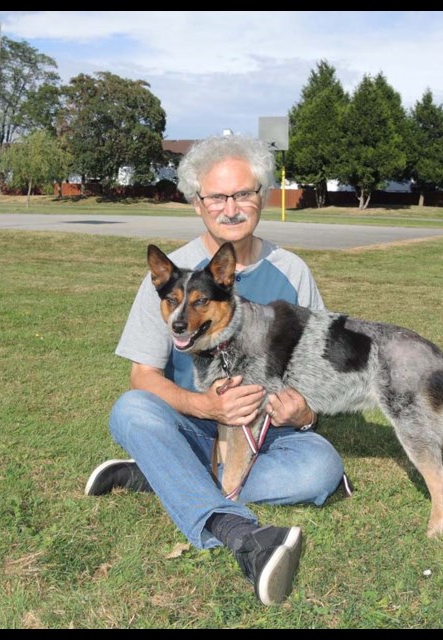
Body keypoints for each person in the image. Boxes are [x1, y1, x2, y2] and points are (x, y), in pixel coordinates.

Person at [85, 133, 347, 606]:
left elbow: (320, 372)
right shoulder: (171, 277)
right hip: (194, 426)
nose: (231, 208)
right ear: (197, 202)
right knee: (130, 410)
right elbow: (143, 377)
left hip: (270, 436)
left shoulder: (292, 272)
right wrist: (203, 404)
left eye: (243, 193)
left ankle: (163, 473)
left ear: (262, 196)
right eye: (217, 197)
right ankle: (238, 532)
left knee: (322, 468)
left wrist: (304, 413)